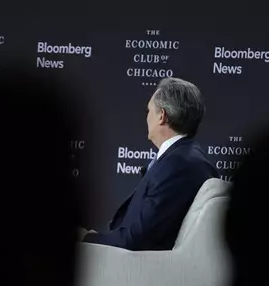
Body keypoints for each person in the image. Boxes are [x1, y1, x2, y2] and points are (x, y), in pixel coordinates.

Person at [81, 77, 218, 250]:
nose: (146, 118)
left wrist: (88, 238)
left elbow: (136, 238)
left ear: (162, 116)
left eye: (148, 111)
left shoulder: (178, 165)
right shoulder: (183, 158)